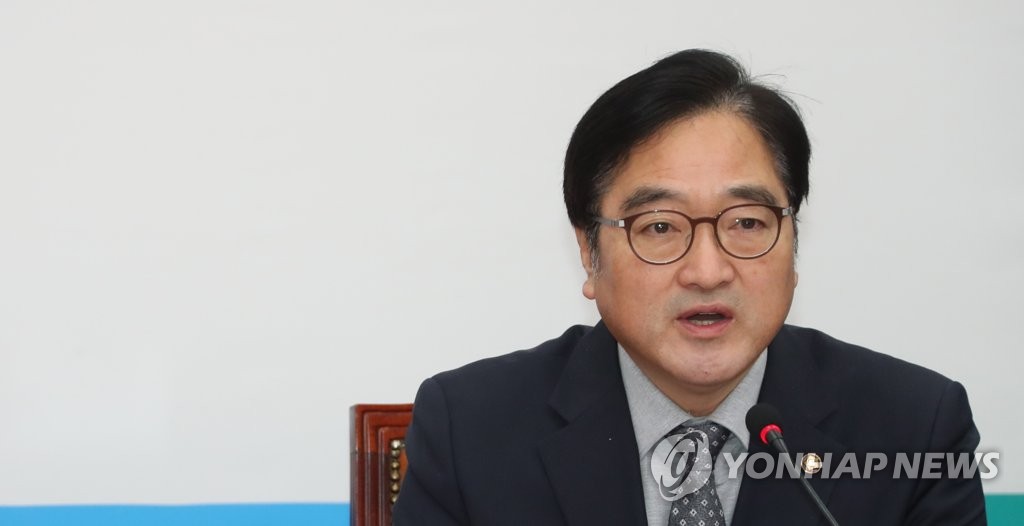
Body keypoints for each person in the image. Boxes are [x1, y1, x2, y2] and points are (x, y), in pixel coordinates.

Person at [392, 49, 986, 525]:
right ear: (589, 254)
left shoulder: (915, 430)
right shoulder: (471, 429)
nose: (707, 271)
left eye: (747, 223)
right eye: (659, 227)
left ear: (793, 240)